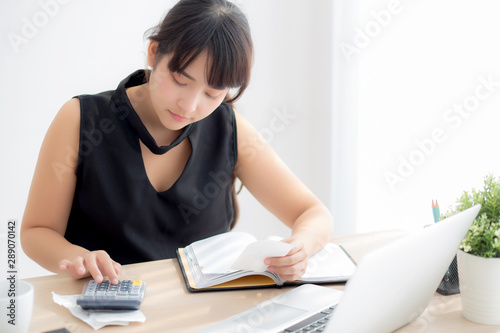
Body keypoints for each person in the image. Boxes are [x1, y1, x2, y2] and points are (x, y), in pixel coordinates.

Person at [20, 0, 332, 285]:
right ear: (154, 52)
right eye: (180, 80)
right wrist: (79, 259)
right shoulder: (80, 119)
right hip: (104, 311)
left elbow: (313, 213)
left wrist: (299, 249)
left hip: (203, 317)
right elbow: (37, 233)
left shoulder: (229, 128)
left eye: (212, 93)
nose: (189, 105)